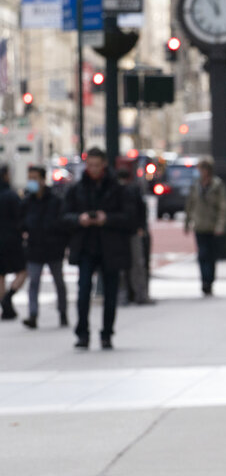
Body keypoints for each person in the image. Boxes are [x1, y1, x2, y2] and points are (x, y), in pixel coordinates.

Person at [61, 147, 134, 349]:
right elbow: (64, 217)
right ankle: (82, 333)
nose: (92, 169)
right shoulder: (77, 189)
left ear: (104, 165)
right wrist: (80, 219)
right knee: (83, 290)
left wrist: (107, 219)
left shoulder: (117, 189)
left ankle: (107, 333)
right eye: (89, 165)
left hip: (110, 247)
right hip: (85, 247)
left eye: (96, 165)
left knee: (110, 294)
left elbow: (129, 217)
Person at [21, 165, 68, 329]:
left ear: (42, 179)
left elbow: (62, 223)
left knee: (59, 282)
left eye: (34, 178)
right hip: (35, 247)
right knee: (33, 282)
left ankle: (63, 312)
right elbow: (22, 224)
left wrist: (62, 244)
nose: (32, 182)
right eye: (30, 178)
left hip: (53, 247)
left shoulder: (55, 200)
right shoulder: (27, 201)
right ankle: (33, 315)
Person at [184, 158, 226, 296]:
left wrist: (220, 225)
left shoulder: (217, 185)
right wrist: (187, 222)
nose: (200, 172)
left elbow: (223, 206)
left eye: (202, 169)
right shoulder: (196, 184)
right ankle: (204, 281)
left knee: (211, 255)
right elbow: (190, 204)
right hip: (199, 225)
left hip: (212, 225)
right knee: (202, 254)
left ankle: (209, 281)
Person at [117, 168, 154, 305]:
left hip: (128, 231)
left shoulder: (127, 190)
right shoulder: (131, 190)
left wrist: (141, 227)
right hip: (128, 231)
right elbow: (142, 209)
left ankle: (131, 295)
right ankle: (137, 295)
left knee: (133, 265)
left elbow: (141, 209)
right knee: (136, 265)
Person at [0, 164, 27, 321]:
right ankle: (8, 298)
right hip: (12, 239)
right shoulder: (11, 195)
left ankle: (5, 306)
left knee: (1, 274)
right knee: (22, 271)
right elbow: (20, 216)